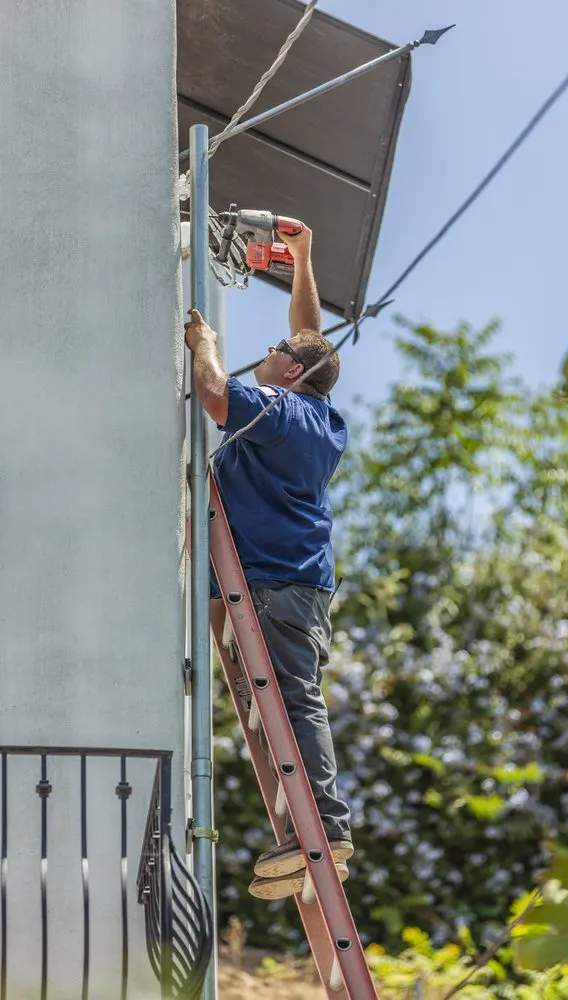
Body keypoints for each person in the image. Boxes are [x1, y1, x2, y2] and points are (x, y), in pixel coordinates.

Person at [184, 222, 353, 901]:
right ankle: (309, 833)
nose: (270, 345)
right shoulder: (316, 411)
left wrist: (205, 345)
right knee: (293, 701)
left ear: (289, 370)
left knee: (294, 702)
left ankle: (325, 830)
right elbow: (308, 340)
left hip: (277, 587)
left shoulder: (274, 411)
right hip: (297, 583)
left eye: (276, 348)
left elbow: (212, 392)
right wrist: (306, 257)